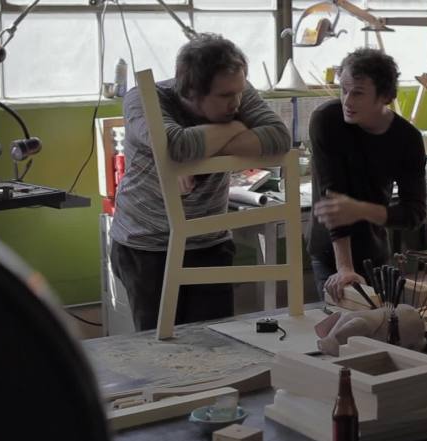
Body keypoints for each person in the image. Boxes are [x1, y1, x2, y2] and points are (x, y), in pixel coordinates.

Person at [110, 34, 291, 331]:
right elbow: (175, 145)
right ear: (191, 91)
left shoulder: (236, 88)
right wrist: (236, 127)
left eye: (239, 93)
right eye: (225, 96)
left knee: (216, 339)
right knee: (161, 343)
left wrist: (196, 154)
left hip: (210, 241)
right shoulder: (145, 99)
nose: (236, 103)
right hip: (148, 245)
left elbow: (278, 138)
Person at [308, 48, 426, 302]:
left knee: (383, 320)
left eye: (358, 93)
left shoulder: (407, 139)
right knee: (342, 319)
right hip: (332, 252)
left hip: (374, 252)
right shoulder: (327, 120)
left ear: (384, 97)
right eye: (343, 90)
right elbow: (334, 199)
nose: (347, 101)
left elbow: (413, 213)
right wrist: (344, 268)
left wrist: (360, 210)